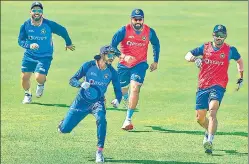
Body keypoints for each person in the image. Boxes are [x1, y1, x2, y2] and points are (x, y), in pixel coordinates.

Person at [184, 24, 244, 154]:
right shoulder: (204, 47)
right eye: (217, 35)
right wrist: (194, 59)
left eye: (222, 35)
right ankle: (209, 130)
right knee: (200, 118)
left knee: (212, 110)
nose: (219, 37)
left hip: (219, 86)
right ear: (213, 35)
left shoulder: (230, 50)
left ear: (225, 37)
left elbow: (239, 61)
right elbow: (187, 55)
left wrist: (241, 77)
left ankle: (209, 141)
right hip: (203, 85)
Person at [58, 45, 122, 163]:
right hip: (81, 101)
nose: (112, 58)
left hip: (98, 102)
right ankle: (63, 124)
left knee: (102, 119)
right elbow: (72, 79)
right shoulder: (88, 65)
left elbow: (118, 89)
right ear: (102, 55)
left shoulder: (112, 72)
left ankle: (99, 151)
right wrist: (80, 84)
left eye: (114, 55)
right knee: (64, 130)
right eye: (110, 55)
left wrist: (118, 99)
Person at [110, 9, 160, 130]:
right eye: (135, 19)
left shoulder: (149, 32)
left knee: (135, 88)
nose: (138, 21)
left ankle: (128, 119)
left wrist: (155, 61)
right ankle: (125, 97)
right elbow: (112, 46)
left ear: (143, 19)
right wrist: (123, 56)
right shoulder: (124, 30)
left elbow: (156, 44)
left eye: (140, 19)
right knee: (123, 90)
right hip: (123, 65)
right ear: (131, 19)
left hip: (140, 65)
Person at [18, 1, 75, 104]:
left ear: (42, 12)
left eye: (39, 10)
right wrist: (29, 45)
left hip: (45, 56)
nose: (37, 12)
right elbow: (20, 41)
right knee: (24, 77)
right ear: (30, 12)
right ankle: (27, 94)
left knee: (39, 77)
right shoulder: (25, 25)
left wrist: (68, 42)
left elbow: (62, 30)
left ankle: (41, 84)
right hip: (29, 55)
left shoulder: (48, 24)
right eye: (34, 10)